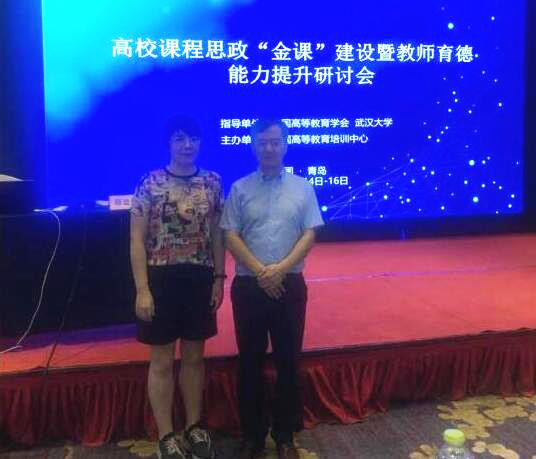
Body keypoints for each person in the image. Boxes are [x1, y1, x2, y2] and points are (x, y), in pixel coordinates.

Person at [220, 118, 324, 459]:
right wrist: (261, 271)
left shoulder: (303, 187)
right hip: (249, 286)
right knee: (249, 363)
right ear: (253, 146)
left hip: (289, 284)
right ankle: (252, 435)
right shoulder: (239, 189)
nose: (269, 148)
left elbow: (309, 233)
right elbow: (230, 234)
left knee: (288, 362)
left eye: (275, 142)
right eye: (262, 142)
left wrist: (280, 270)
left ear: (285, 145)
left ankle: (284, 435)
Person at [130, 116, 225, 459]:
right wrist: (142, 289)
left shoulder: (212, 182)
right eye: (180, 138)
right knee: (161, 360)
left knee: (195, 358)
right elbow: (137, 240)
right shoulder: (150, 182)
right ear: (168, 143)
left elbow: (217, 235)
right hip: (160, 280)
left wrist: (219, 278)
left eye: (193, 139)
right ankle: (166, 435)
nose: (188, 145)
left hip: (199, 279)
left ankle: (194, 426)